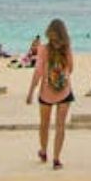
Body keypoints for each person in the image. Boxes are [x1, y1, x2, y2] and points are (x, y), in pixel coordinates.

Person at [26, 18, 76, 169]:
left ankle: (43, 151)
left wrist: (30, 92)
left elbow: (38, 72)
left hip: (46, 92)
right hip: (64, 91)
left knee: (44, 125)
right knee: (60, 126)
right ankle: (56, 159)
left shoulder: (42, 49)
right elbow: (71, 68)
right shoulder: (67, 48)